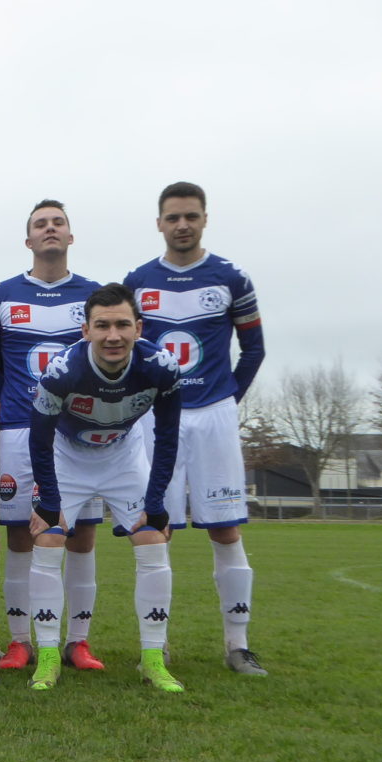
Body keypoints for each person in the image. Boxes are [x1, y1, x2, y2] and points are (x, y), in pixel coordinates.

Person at [123, 181, 268, 676]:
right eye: (173, 217)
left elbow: (254, 349)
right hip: (156, 419)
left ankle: (237, 644)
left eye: (191, 216)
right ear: (159, 223)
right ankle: (155, 648)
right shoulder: (138, 281)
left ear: (205, 219)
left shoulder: (231, 277)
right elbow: (126, 350)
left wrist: (225, 398)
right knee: (153, 528)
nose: (182, 225)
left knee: (225, 529)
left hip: (214, 418)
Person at [27, 283, 184, 692]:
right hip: (68, 455)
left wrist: (157, 500)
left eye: (121, 325)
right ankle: (47, 657)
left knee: (152, 538)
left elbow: (167, 437)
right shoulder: (62, 371)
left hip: (122, 454)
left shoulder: (162, 367)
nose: (112, 336)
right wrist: (48, 501)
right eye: (102, 326)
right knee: (48, 539)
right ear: (86, 331)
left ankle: (152, 659)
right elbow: (39, 438)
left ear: (138, 328)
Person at [0, 200, 105, 673]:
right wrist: (21, 402)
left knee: (81, 534)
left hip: (77, 433)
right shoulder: (0, 296)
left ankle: (78, 641)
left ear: (70, 236)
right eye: (40, 225)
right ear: (28, 240)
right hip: (18, 430)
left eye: (58, 223)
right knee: (20, 536)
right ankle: (18, 641)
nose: (50, 230)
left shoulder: (93, 294)